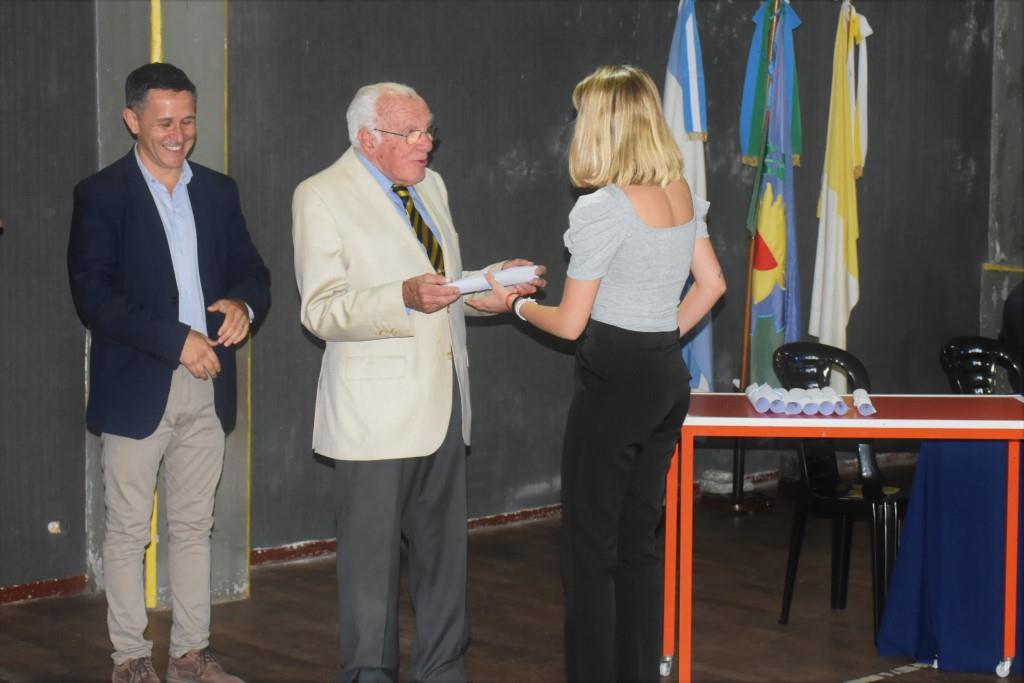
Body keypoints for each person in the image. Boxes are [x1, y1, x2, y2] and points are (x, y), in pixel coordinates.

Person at [478, 65, 727, 682]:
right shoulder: (678, 189)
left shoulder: (606, 208)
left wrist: (508, 301)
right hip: (664, 375)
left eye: (581, 115)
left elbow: (567, 324)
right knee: (638, 543)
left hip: (615, 378)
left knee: (590, 551)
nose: (575, 126)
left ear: (605, 124)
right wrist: (660, 333)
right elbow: (714, 284)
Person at [291, 82, 544, 683]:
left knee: (444, 558)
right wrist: (398, 297)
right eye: (412, 133)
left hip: (445, 403)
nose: (427, 144)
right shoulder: (321, 195)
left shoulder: (431, 187)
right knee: (370, 568)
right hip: (373, 417)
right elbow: (321, 311)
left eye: (429, 130)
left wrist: (488, 287)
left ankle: (443, 670)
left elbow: (442, 292)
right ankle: (370, 674)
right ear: (368, 139)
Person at [67, 62, 270, 683]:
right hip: (137, 385)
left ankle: (190, 654)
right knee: (128, 531)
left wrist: (244, 304)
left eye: (187, 120)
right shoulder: (101, 195)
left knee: (193, 526)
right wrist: (176, 341)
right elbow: (93, 296)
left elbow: (252, 272)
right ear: (132, 120)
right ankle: (129, 659)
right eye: (163, 122)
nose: (178, 133)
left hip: (208, 383)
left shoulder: (217, 190)